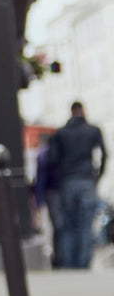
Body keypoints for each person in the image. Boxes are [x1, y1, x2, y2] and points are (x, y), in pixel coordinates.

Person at [49, 102, 107, 269]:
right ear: (82, 111)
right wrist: (97, 177)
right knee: (85, 225)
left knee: (68, 226)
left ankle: (68, 264)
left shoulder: (61, 134)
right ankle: (83, 264)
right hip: (86, 180)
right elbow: (104, 155)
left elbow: (53, 160)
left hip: (68, 181)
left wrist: (63, 175)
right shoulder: (93, 131)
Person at [33, 129, 62, 266]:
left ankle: (60, 257)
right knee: (59, 226)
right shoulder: (45, 154)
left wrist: (39, 202)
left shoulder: (44, 153)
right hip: (54, 192)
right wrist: (39, 202)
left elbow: (40, 180)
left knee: (58, 226)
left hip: (54, 193)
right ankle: (59, 258)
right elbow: (41, 179)